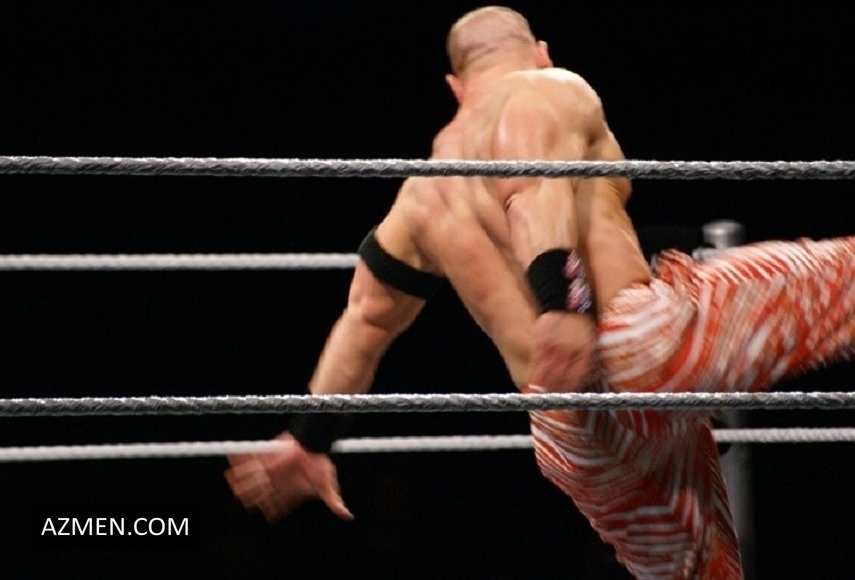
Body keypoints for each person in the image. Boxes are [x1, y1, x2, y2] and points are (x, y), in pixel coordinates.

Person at [225, 6, 855, 579]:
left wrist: (308, 436)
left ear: (455, 87)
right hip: (631, 341)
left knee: (701, 573)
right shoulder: (546, 88)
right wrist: (564, 309)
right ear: (541, 51)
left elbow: (366, 321)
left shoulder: (419, 199)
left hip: (570, 431)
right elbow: (529, 185)